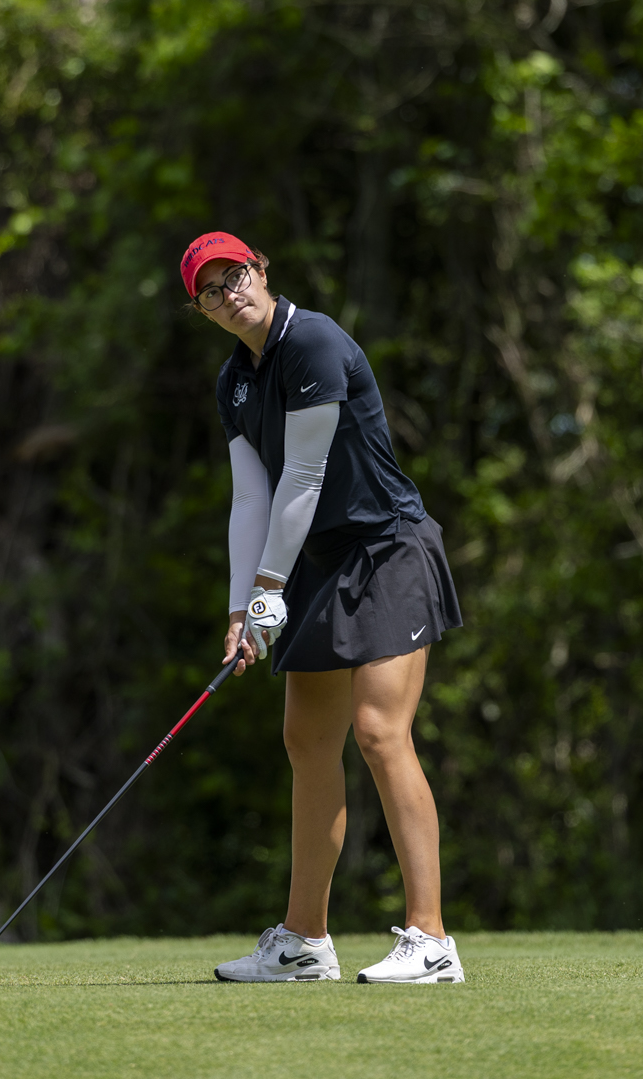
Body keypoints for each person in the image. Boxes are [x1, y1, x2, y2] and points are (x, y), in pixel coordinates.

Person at [181, 230, 465, 985]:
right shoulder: (233, 382)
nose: (227, 292)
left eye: (234, 274)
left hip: (386, 548)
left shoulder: (313, 342)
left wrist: (269, 587)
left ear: (262, 270)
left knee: (379, 731)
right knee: (307, 739)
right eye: (209, 289)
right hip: (315, 561)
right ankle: (305, 941)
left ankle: (432, 940)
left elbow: (303, 476)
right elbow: (252, 496)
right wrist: (242, 605)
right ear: (202, 309)